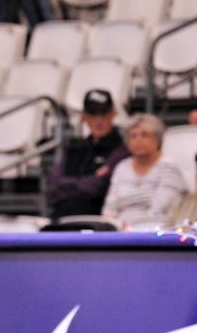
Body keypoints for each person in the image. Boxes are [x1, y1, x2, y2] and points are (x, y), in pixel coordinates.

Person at [46, 89, 130, 218]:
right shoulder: (74, 147)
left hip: (99, 222)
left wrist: (67, 183)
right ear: (83, 116)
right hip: (63, 219)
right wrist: (82, 183)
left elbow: (97, 187)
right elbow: (52, 186)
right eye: (93, 114)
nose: (98, 120)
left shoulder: (121, 149)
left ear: (113, 114)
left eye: (104, 114)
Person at [101, 115, 187, 229]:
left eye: (144, 135)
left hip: (156, 231)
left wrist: (130, 229)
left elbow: (161, 209)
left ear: (157, 139)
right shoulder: (122, 167)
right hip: (120, 231)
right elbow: (109, 209)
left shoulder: (169, 168)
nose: (138, 140)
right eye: (133, 136)